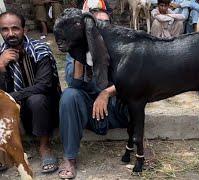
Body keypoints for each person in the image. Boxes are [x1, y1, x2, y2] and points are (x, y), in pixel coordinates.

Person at [57, 2, 129, 179]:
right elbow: (74, 83)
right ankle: (69, 158)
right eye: (98, 25)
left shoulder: (121, 48)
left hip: (114, 109)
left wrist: (106, 93)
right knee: (69, 95)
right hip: (89, 112)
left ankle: (141, 143)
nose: (102, 28)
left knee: (134, 93)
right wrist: (81, 51)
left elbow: (132, 79)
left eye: (106, 24)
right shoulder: (75, 51)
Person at [0, 11, 61, 173]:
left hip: (44, 110)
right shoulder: (1, 55)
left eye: (15, 28)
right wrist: (1, 67)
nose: (11, 33)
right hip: (16, 112)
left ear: (24, 30)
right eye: (5, 29)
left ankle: (44, 147)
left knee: (37, 99)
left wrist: (12, 97)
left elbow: (44, 86)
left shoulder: (40, 51)